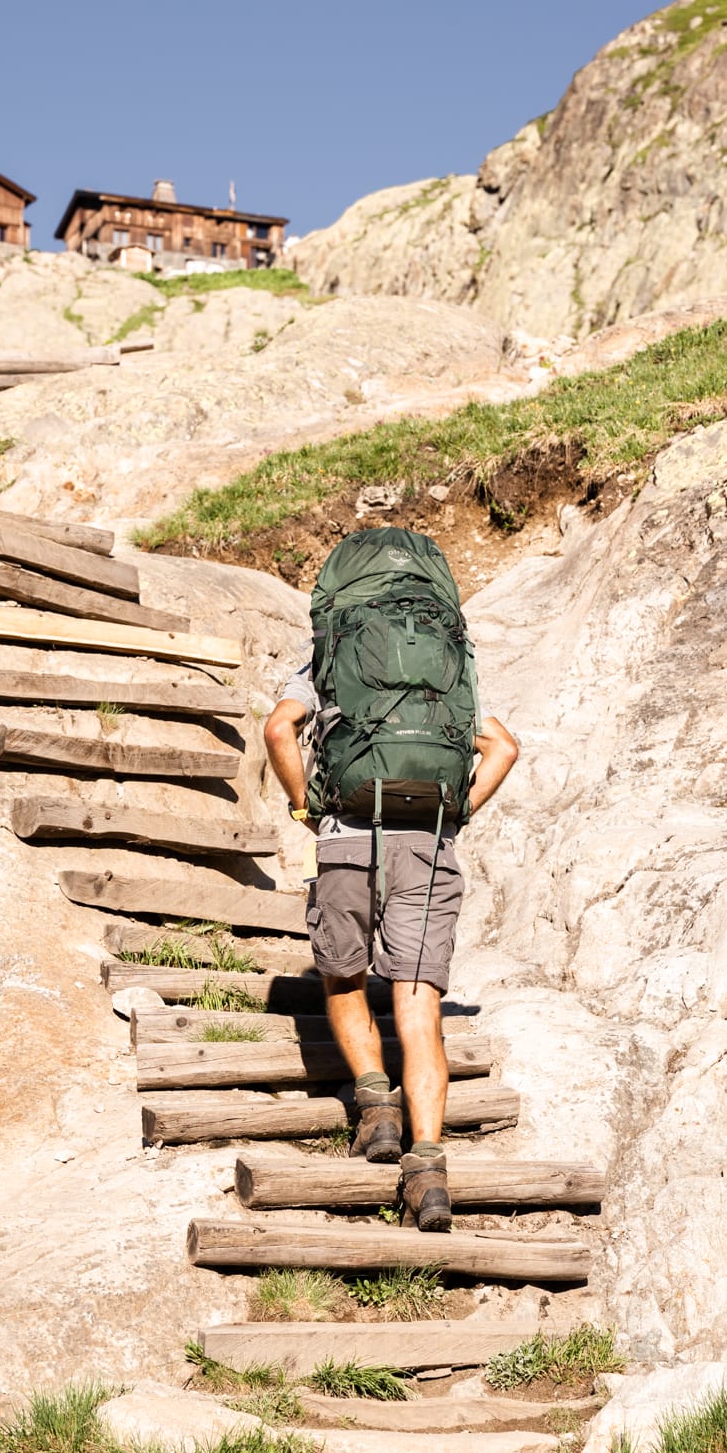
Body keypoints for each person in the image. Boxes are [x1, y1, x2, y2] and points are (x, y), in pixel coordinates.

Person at [263, 528, 518, 1233]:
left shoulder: (330, 656)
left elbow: (280, 732)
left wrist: (304, 808)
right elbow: (502, 746)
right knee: (416, 1006)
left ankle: (375, 1104)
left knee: (343, 980)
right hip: (427, 846)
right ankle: (428, 1173)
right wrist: (457, 811)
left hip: (349, 834)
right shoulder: (448, 665)